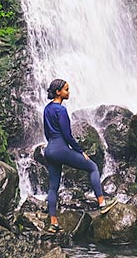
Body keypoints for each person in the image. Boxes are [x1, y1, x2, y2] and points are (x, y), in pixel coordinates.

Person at [42, 78, 117, 233]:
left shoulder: (47, 109)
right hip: (61, 148)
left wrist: (54, 147)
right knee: (92, 167)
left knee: (53, 187)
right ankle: (102, 204)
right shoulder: (60, 110)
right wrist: (79, 151)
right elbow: (68, 135)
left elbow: (47, 133)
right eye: (66, 89)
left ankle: (53, 222)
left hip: (49, 150)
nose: (69, 92)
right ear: (58, 92)